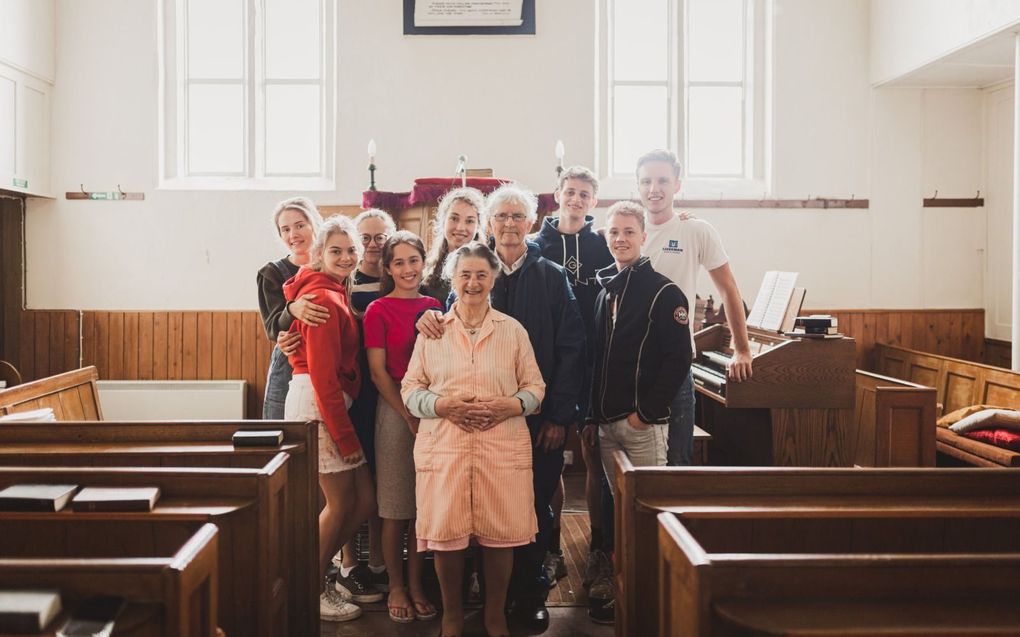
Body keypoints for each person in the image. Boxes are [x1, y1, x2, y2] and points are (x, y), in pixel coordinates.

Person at [418, 183, 585, 631]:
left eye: (517, 217)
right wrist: (429, 316)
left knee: (527, 512)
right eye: (501, 217)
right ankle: (478, 599)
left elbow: (571, 349)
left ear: (531, 224)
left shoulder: (551, 276)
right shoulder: (475, 272)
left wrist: (558, 417)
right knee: (475, 511)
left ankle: (526, 597)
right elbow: (451, 334)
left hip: (536, 416)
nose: (509, 225)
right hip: (477, 425)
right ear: (489, 224)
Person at [402, 241, 546, 637]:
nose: (473, 282)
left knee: (501, 534)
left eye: (481, 274)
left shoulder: (512, 331)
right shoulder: (433, 331)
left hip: (501, 443)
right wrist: (443, 405)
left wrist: (511, 405)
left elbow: (535, 387)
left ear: (494, 279)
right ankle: (452, 615)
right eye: (464, 274)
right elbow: (410, 390)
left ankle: (494, 614)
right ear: (452, 278)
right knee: (446, 536)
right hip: (446, 443)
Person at [583, 201, 693, 622]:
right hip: (607, 424)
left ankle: (652, 596)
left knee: (647, 511)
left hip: (641, 424)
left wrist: (645, 413)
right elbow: (598, 359)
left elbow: (677, 360)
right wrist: (593, 417)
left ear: (643, 237)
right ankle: (621, 583)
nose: (621, 239)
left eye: (629, 231)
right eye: (613, 232)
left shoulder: (665, 292)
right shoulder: (605, 290)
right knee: (618, 512)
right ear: (605, 237)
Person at [282, 215, 376, 622]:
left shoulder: (332, 291)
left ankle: (323, 576)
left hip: (331, 403)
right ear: (320, 253)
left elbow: (304, 351)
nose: (346, 256)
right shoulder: (321, 297)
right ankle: (309, 587)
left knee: (365, 500)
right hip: (319, 407)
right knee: (338, 505)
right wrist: (344, 434)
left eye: (351, 250)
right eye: (336, 250)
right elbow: (320, 375)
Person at [636, 149, 753, 466]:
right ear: (637, 187)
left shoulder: (696, 230)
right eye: (646, 181)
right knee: (634, 461)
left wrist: (742, 350)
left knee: (678, 459)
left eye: (662, 180)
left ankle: (675, 519)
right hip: (632, 364)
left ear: (677, 185)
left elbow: (729, 290)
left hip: (676, 362)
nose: (654, 189)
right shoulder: (627, 232)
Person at [531, 166, 615, 591]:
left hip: (591, 364)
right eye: (570, 192)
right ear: (557, 195)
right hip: (548, 365)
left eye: (585, 194)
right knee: (552, 462)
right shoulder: (535, 244)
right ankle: (551, 547)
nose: (576, 199)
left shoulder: (603, 246)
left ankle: (599, 548)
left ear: (593, 202)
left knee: (589, 454)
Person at [362, 231, 442, 623]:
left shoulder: (436, 305)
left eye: (414, 260)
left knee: (425, 506)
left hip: (432, 408)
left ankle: (416, 583)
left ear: (424, 262)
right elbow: (378, 372)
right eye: (399, 262)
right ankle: (396, 584)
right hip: (395, 409)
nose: (408, 269)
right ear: (388, 268)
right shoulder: (378, 309)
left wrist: (425, 410)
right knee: (395, 506)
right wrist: (406, 413)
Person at [331, 208, 395, 601]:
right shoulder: (344, 283)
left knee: (381, 478)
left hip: (387, 389)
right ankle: (348, 563)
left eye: (379, 238)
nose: (372, 246)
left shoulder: (397, 280)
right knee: (355, 480)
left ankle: (379, 564)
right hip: (353, 391)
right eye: (365, 238)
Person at [256, 197, 328, 419]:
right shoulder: (272, 273)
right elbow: (272, 329)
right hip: (290, 359)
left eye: (299, 225)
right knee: (280, 429)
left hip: (329, 357)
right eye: (285, 229)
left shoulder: (332, 266)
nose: (293, 234)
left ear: (314, 224)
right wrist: (292, 310)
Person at [423, 187, 487, 306]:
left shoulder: (490, 268)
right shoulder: (426, 270)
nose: (460, 228)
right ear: (443, 222)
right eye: (454, 218)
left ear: (478, 227)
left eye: (469, 221)